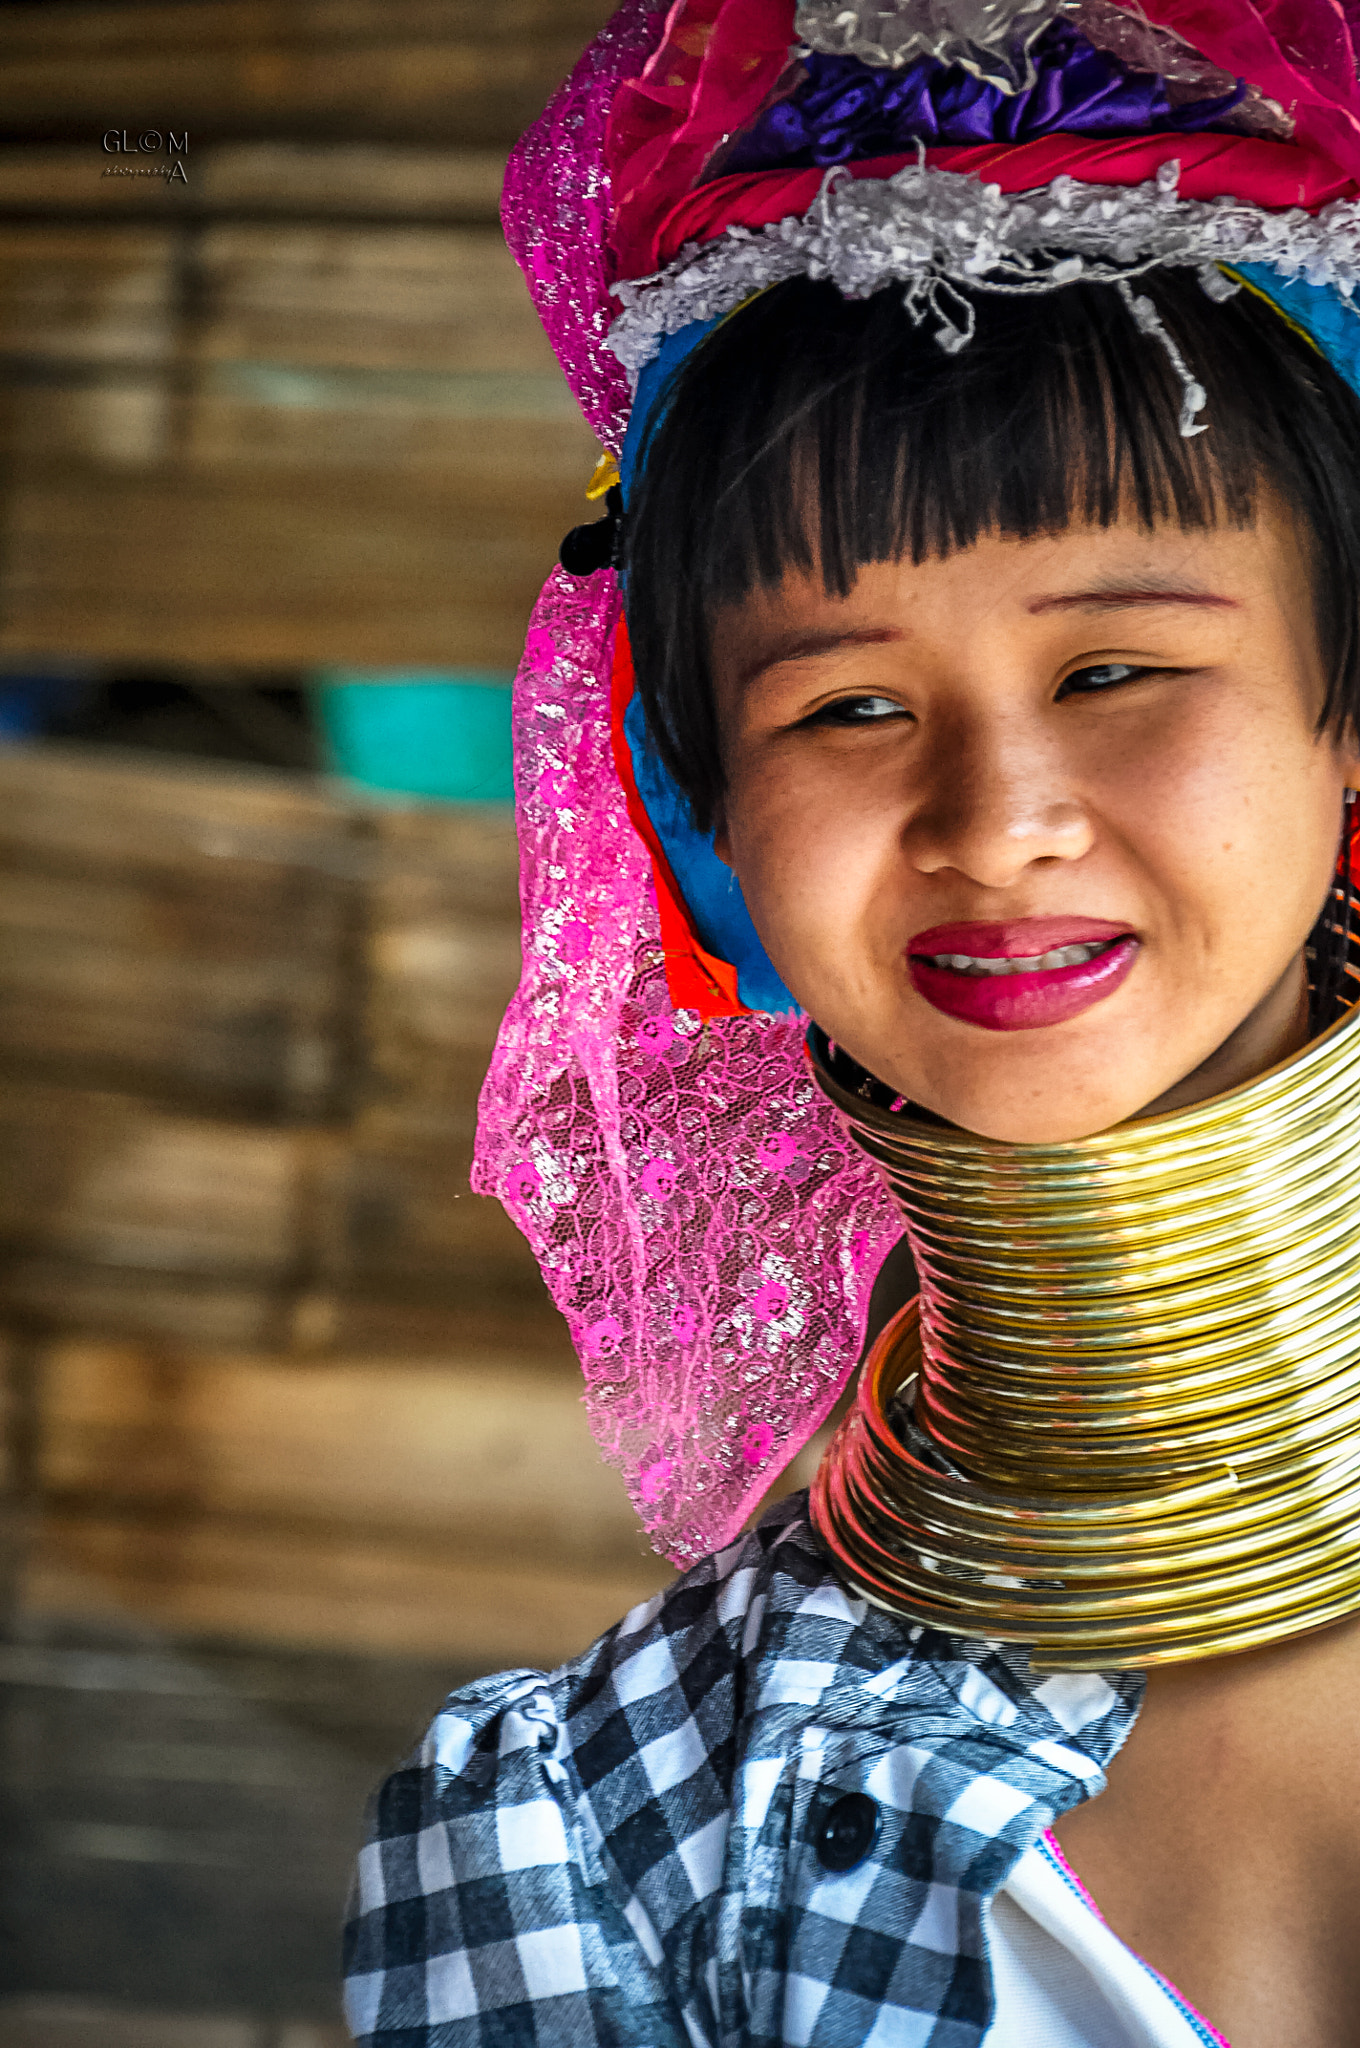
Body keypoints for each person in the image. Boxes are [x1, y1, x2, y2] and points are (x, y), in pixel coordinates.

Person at [342, 2, 1360, 2041]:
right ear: (691, 808)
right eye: (844, 705)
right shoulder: (616, 1839)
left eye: (1114, 672)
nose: (995, 821)